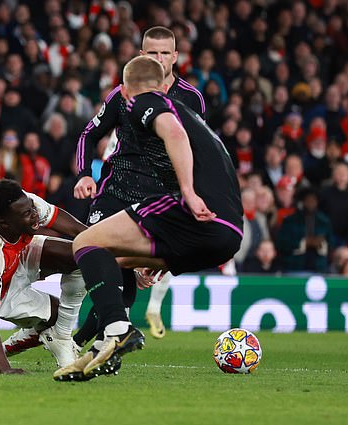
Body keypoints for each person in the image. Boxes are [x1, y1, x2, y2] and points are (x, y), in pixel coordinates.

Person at [56, 56, 242, 382]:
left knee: (86, 242)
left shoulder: (146, 102)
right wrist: (165, 256)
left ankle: (117, 328)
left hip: (197, 214)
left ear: (126, 90)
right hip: (226, 233)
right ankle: (101, 349)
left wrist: (188, 192)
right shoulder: (192, 116)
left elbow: (173, 134)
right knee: (118, 258)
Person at [73, 26, 206, 345]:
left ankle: (89, 341)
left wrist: (188, 195)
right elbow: (88, 135)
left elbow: (196, 152)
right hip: (115, 189)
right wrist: (84, 174)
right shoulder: (121, 94)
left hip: (156, 200)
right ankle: (97, 337)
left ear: (175, 56)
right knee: (95, 251)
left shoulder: (191, 98)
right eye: (152, 53)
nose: (159, 59)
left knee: (129, 273)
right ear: (141, 55)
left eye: (165, 53)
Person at [0, 179, 87, 374]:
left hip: (19, 252)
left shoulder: (24, 202)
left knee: (84, 253)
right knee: (57, 314)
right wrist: (5, 369)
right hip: (3, 290)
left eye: (32, 208)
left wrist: (109, 250)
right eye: (27, 214)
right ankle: (2, 354)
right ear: (3, 222)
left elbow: (77, 230)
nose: (35, 215)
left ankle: (61, 336)